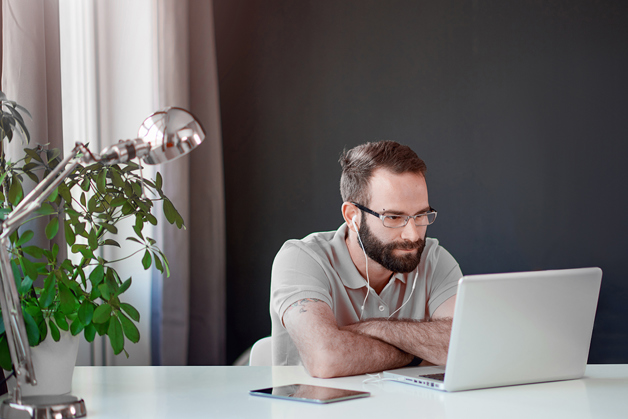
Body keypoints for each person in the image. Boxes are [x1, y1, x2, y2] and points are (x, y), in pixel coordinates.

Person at [270, 141, 462, 378]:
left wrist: (374, 328)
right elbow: (326, 359)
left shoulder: (434, 259)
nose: (413, 235)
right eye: (393, 217)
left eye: (421, 215)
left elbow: (465, 344)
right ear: (353, 216)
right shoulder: (301, 259)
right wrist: (420, 351)